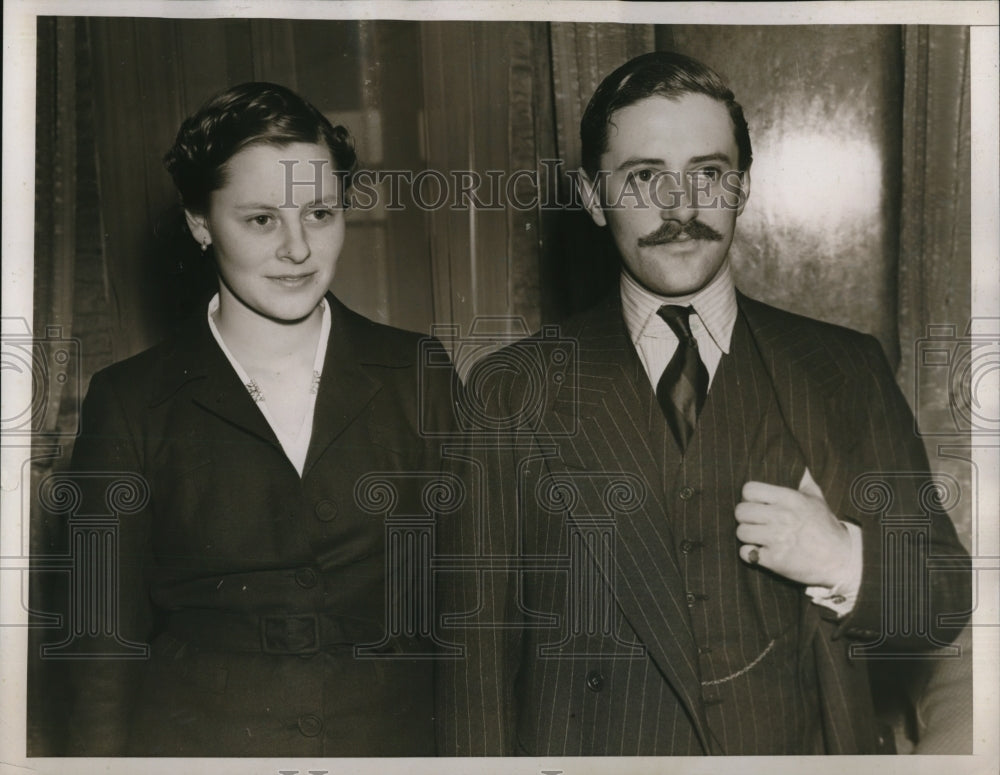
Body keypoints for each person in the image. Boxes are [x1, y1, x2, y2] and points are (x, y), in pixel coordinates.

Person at [437, 51, 971, 756]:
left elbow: (942, 597)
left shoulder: (844, 368)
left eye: (708, 174)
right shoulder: (512, 389)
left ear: (743, 187)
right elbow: (474, 669)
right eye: (644, 177)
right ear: (594, 197)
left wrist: (845, 559)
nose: (680, 207)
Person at [59, 82, 453, 756]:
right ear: (200, 222)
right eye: (262, 219)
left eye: (321, 213)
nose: (299, 249)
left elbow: (475, 610)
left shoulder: (419, 371)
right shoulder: (129, 401)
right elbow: (101, 651)